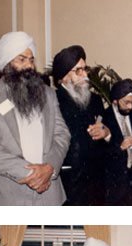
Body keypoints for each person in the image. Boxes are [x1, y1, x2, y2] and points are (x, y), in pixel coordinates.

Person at [0, 31, 71, 205]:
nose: (29, 65)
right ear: (6, 64)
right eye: (21, 59)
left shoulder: (48, 94)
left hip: (50, 193)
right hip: (9, 196)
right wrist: (31, 174)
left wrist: (50, 167)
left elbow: (62, 134)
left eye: (31, 59)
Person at [52, 45, 110, 205]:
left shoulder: (96, 100)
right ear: (64, 76)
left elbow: (109, 137)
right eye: (78, 71)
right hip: (68, 184)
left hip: (97, 184)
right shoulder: (52, 101)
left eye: (85, 69)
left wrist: (106, 133)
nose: (85, 75)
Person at [102, 79, 132, 205]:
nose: (130, 106)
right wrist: (120, 147)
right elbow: (98, 154)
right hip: (111, 186)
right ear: (115, 100)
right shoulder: (104, 119)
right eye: (126, 102)